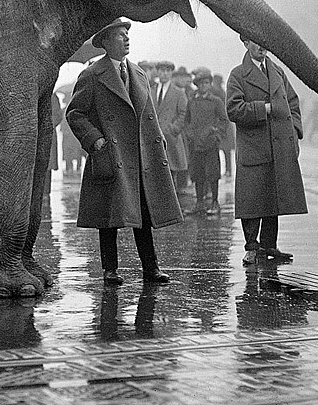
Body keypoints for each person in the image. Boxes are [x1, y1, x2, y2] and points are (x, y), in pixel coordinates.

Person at [66, 18, 182, 285]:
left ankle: (151, 268)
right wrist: (95, 140)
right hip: (111, 155)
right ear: (106, 42)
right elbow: (75, 113)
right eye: (120, 35)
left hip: (141, 156)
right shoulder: (92, 75)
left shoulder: (139, 74)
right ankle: (110, 270)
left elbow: (149, 114)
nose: (126, 39)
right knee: (110, 217)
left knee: (144, 213)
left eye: (127, 34)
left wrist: (159, 142)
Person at [227, 36, 306, 266]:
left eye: (264, 41)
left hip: (278, 145)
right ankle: (251, 247)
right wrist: (265, 108)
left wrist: (295, 132)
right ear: (245, 44)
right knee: (251, 201)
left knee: (273, 197)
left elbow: (292, 102)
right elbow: (233, 109)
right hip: (253, 147)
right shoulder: (238, 75)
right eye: (256, 42)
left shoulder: (278, 72)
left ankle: (269, 245)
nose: (262, 46)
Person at [185, 68, 228, 215]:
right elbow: (187, 121)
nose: (204, 86)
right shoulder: (192, 101)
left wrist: (217, 136)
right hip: (196, 144)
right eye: (201, 83)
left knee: (213, 173)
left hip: (210, 143)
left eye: (207, 83)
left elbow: (224, 121)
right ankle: (199, 202)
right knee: (197, 173)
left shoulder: (216, 101)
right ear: (197, 85)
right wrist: (189, 134)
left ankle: (215, 202)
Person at [152, 60, 189, 193]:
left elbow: (183, 114)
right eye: (162, 71)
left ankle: (172, 206)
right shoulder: (151, 91)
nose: (164, 74)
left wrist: (173, 129)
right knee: (156, 173)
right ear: (158, 72)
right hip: (154, 138)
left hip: (171, 138)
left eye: (168, 71)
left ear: (171, 73)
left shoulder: (178, 93)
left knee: (172, 171)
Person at [211, 73, 235, 179]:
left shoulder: (219, 93)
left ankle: (227, 170)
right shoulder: (222, 93)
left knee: (225, 150)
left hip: (223, 125)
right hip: (224, 125)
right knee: (225, 150)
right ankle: (227, 170)